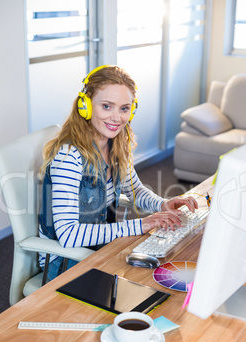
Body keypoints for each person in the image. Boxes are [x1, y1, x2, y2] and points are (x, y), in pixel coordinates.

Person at [39, 65, 198, 281]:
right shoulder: (69, 156)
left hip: (100, 248)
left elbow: (136, 190)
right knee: (146, 286)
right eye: (106, 106)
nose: (116, 118)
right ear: (85, 106)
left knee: (166, 274)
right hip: (65, 261)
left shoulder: (116, 144)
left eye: (124, 108)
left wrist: (163, 204)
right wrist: (142, 224)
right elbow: (68, 235)